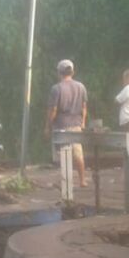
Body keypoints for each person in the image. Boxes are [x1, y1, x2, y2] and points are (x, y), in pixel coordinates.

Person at [44, 59, 88, 187]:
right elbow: (84, 107)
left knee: (64, 155)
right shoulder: (81, 87)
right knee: (78, 153)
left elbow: (53, 109)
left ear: (59, 73)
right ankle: (82, 180)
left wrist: (47, 126)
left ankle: (67, 182)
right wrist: (83, 123)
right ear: (72, 72)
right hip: (76, 124)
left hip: (61, 125)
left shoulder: (56, 89)